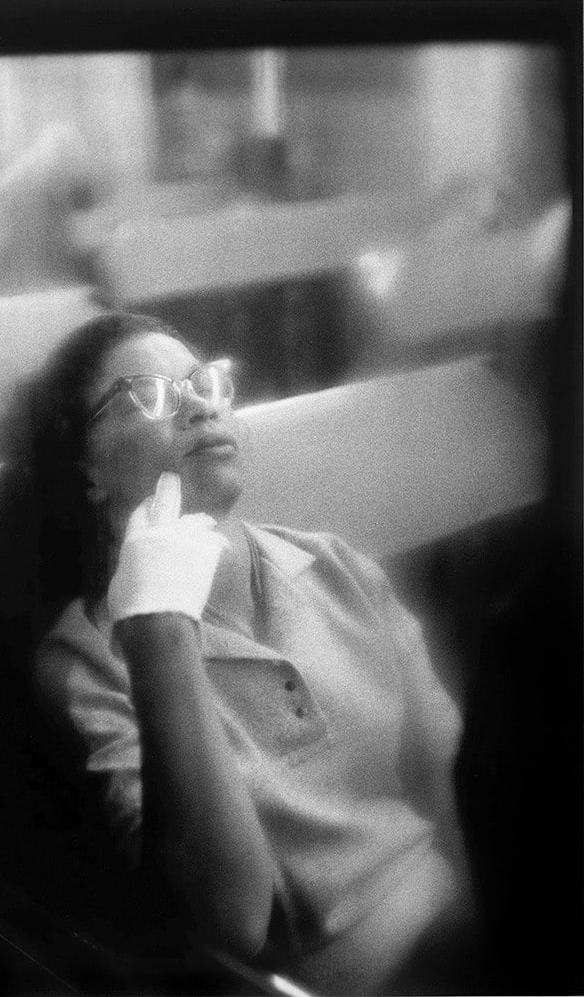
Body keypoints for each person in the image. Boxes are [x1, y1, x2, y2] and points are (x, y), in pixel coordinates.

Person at [32, 311, 481, 996]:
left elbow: (459, 786)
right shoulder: (89, 657)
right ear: (88, 470)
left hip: (473, 922)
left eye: (203, 383)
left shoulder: (334, 565)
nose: (197, 403)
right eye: (147, 394)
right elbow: (232, 919)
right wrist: (159, 625)